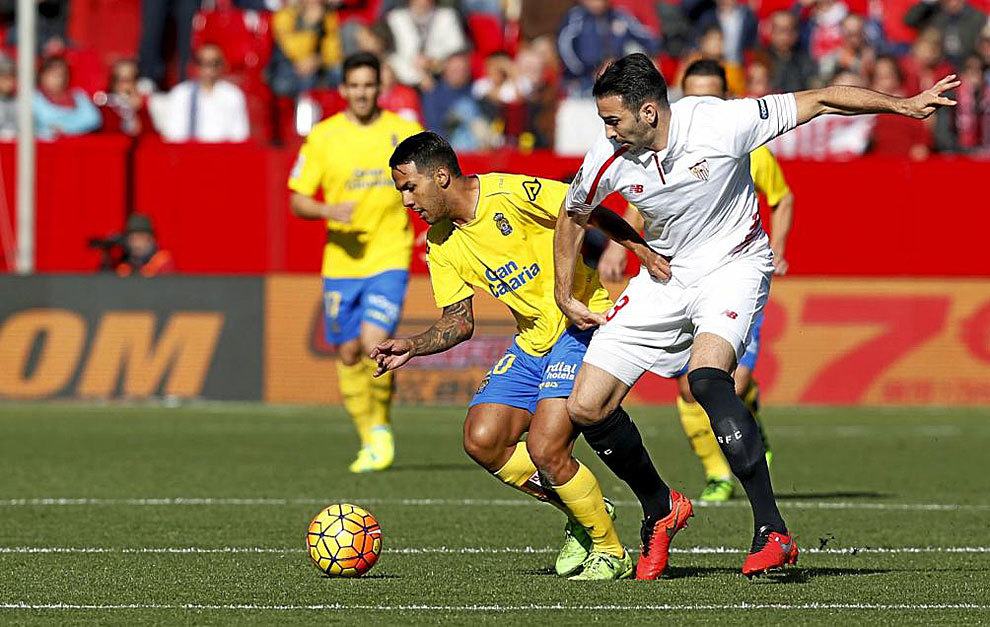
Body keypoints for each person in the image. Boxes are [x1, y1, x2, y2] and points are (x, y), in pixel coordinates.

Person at [553, 52, 958, 577]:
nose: (607, 131)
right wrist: (569, 291)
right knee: (586, 407)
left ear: (649, 111)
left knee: (707, 379)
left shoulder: (721, 121)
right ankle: (660, 507)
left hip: (734, 264)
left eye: (614, 120)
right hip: (665, 276)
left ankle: (772, 530)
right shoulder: (606, 157)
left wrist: (902, 105)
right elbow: (574, 212)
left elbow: (821, 99)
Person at [373, 131, 667, 580]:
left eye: (410, 187)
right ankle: (582, 508)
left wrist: (638, 248)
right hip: (532, 342)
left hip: (581, 323)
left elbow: (583, 208)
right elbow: (459, 321)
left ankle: (610, 550)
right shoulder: (440, 242)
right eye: (401, 191)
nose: (407, 200)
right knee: (482, 439)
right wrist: (411, 346)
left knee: (545, 448)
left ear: (441, 175)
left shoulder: (510, 193)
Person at [596, 59, 795, 503]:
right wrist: (618, 244)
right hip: (679, 280)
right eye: (694, 93)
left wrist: (778, 247)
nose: (702, 101)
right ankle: (717, 474)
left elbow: (781, 199)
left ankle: (750, 451)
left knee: (724, 383)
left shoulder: (744, 141)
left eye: (713, 93)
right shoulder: (650, 149)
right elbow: (643, 200)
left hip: (730, 273)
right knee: (691, 387)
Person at [288, 52, 422, 474]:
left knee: (372, 344)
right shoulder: (324, 137)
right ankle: (369, 433)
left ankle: (380, 430)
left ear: (379, 88)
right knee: (347, 352)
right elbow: (297, 199)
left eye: (370, 84)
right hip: (342, 263)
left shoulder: (404, 132)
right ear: (343, 89)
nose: (363, 92)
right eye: (355, 85)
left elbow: (437, 179)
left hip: (389, 255)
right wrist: (329, 212)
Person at [161, 44, 250, 143]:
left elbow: (239, 136)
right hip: (187, 154)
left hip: (222, 154)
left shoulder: (233, 95)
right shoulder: (181, 94)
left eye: (214, 63)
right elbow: (172, 134)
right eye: (202, 63)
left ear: (221, 66)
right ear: (195, 65)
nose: (208, 69)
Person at [33, 56, 101, 140]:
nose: (59, 79)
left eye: (62, 74)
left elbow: (93, 120)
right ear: (42, 75)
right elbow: (41, 123)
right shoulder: (33, 98)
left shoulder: (79, 96)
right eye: (54, 74)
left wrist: (65, 129)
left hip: (79, 145)